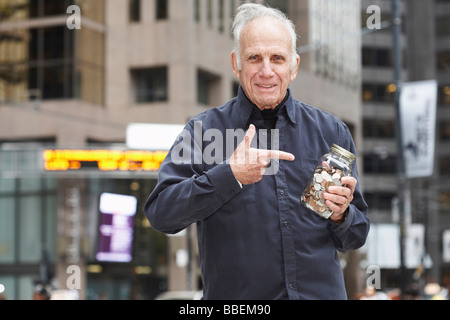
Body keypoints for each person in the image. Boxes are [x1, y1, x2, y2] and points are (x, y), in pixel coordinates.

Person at [144, 3, 370, 300]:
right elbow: (161, 213)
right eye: (254, 58)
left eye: (277, 58)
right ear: (236, 63)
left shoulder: (332, 132)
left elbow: (356, 236)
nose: (266, 70)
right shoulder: (203, 131)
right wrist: (229, 176)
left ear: (294, 66)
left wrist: (342, 215)